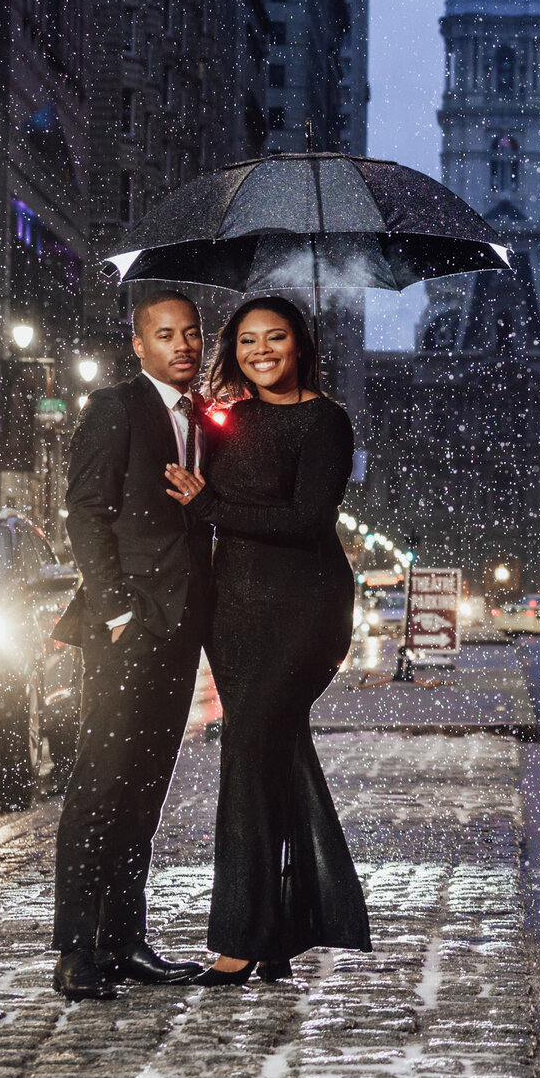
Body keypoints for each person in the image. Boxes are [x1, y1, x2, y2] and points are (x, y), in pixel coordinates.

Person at [163, 295, 369, 984]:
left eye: (274, 337)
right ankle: (278, 931)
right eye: (247, 340)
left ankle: (237, 940)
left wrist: (213, 507)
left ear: (299, 344)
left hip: (305, 610)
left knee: (248, 751)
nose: (260, 351)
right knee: (270, 756)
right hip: (236, 613)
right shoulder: (227, 420)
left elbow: (308, 518)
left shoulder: (327, 421)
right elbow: (185, 486)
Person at [49, 290, 216, 1000]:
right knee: (100, 783)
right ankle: (75, 948)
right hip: (127, 627)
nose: (182, 345)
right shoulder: (116, 408)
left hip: (181, 630)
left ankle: (123, 938)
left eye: (191, 334)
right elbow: (85, 513)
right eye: (165, 335)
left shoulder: (206, 418)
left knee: (147, 786)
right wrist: (116, 609)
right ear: (139, 345)